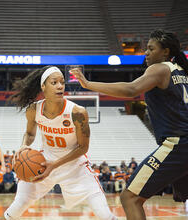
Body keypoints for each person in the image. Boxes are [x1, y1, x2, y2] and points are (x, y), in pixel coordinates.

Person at [71, 29, 188, 220]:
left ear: (165, 52)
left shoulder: (160, 69)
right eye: (146, 49)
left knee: (130, 198)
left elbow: (131, 89)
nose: (146, 53)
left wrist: (88, 83)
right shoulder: (181, 72)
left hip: (178, 144)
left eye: (151, 48)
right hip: (183, 144)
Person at [4, 66, 116, 220]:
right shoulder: (33, 110)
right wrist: (24, 145)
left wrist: (54, 165)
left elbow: (83, 147)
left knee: (105, 215)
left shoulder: (77, 113)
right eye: (54, 82)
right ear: (43, 86)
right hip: (43, 164)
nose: (60, 86)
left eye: (62, 82)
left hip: (76, 168)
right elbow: (30, 134)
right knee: (15, 209)